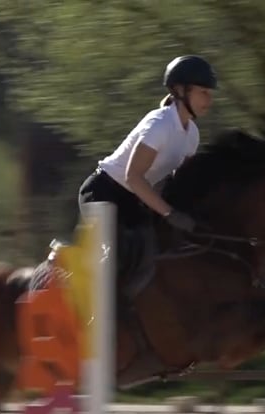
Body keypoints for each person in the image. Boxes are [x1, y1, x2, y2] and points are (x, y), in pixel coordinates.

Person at [77, 55, 217, 298]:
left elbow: (175, 183)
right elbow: (134, 177)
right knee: (120, 258)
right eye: (203, 91)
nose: (209, 99)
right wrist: (170, 214)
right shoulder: (159, 125)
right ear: (180, 90)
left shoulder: (192, 134)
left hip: (135, 201)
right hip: (103, 193)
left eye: (210, 93)